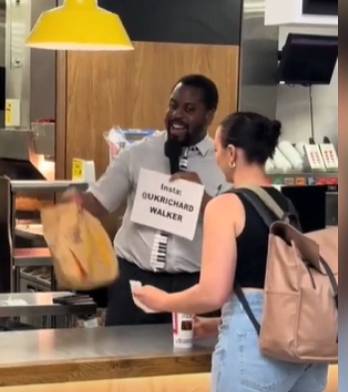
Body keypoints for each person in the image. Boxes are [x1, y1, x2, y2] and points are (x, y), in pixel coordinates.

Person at [133, 112, 329, 392]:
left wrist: (162, 301)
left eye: (216, 150)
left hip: (256, 349)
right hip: (305, 351)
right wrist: (214, 324)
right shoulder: (285, 204)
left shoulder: (224, 206)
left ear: (232, 153)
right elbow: (274, 291)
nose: (215, 157)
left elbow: (213, 292)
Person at [64, 75, 230, 327]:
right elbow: (100, 200)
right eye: (173, 105)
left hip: (195, 285)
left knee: (190, 364)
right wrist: (78, 204)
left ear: (209, 116)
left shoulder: (223, 163)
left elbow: (234, 222)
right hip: (134, 282)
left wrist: (203, 199)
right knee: (123, 359)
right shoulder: (138, 154)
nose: (177, 115)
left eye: (189, 109)